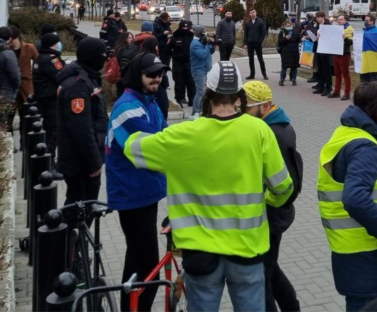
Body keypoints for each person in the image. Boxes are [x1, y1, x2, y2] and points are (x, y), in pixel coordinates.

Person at [123, 62, 294, 311]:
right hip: (247, 250)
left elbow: (132, 148)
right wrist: (268, 203)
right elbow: (283, 188)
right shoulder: (259, 130)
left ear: (207, 93)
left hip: (200, 254)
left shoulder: (184, 134)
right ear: (239, 96)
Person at [318, 81, 377, 311]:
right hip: (370, 258)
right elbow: (355, 198)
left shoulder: (346, 134)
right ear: (371, 110)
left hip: (353, 255)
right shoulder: (364, 147)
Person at [107, 52, 168, 312]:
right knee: (147, 267)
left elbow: (165, 132)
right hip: (133, 193)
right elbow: (160, 144)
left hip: (146, 191)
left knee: (136, 262)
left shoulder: (148, 101)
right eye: (151, 74)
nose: (157, 78)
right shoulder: (129, 108)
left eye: (160, 73)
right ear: (137, 76)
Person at [243, 81, 303, 312]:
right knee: (271, 270)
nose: (242, 112)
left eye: (247, 107)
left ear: (265, 105)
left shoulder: (272, 133)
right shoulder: (277, 126)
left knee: (261, 279)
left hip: (270, 216)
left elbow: (284, 184)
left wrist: (262, 205)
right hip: (274, 214)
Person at [56, 37, 109, 204]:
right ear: (92, 56)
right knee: (80, 207)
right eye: (102, 54)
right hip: (80, 162)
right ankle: (70, 231)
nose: (105, 57)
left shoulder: (85, 77)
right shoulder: (77, 86)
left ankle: (74, 230)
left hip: (81, 160)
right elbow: (81, 129)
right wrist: (94, 163)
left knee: (82, 205)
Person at [32, 32, 66, 152]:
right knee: (53, 130)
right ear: (53, 44)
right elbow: (62, 75)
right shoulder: (51, 59)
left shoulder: (40, 57)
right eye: (57, 42)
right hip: (51, 99)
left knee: (49, 128)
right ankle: (49, 159)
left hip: (42, 97)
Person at [9, 25, 38, 131]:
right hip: (11, 85)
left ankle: (24, 144)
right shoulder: (6, 49)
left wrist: (32, 76)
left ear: (15, 37)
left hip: (26, 84)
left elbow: (38, 61)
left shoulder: (29, 47)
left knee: (26, 115)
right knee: (9, 115)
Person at [169, 20, 197, 109]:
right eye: (183, 27)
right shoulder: (174, 37)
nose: (185, 29)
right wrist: (174, 55)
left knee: (191, 82)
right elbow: (168, 49)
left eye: (187, 27)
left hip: (189, 62)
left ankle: (192, 100)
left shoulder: (192, 37)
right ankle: (179, 99)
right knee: (179, 82)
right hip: (177, 63)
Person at [190, 27, 215, 117]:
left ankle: (201, 109)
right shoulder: (195, 43)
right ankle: (195, 112)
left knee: (205, 92)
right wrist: (208, 45)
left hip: (206, 69)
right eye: (204, 32)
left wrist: (212, 44)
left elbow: (209, 52)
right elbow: (202, 54)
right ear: (200, 33)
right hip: (199, 70)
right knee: (200, 91)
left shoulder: (201, 41)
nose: (205, 33)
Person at [330, 14, 355, 101]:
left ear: (346, 20)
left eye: (341, 19)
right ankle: (336, 92)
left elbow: (350, 43)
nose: (339, 21)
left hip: (344, 54)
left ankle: (347, 93)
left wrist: (344, 38)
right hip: (336, 53)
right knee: (337, 74)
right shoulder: (337, 28)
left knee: (345, 74)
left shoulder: (349, 29)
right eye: (338, 19)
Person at [243, 8, 270, 80]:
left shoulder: (260, 22)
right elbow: (246, 34)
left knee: (260, 59)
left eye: (254, 12)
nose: (252, 13)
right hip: (250, 43)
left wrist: (259, 41)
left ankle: (264, 74)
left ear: (256, 13)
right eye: (251, 12)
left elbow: (263, 33)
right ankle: (252, 74)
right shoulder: (247, 22)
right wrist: (245, 43)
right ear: (249, 14)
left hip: (257, 44)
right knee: (251, 60)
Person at [312, 11, 333, 97]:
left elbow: (330, 36)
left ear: (323, 17)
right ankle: (321, 85)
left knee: (326, 69)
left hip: (326, 50)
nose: (317, 19)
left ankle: (328, 87)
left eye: (319, 17)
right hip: (319, 49)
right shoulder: (318, 25)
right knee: (320, 68)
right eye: (316, 17)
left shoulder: (328, 25)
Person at [277, 17, 301, 86]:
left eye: (290, 24)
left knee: (294, 67)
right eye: (288, 24)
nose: (289, 25)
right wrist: (285, 38)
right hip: (286, 52)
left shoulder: (295, 31)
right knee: (284, 67)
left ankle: (293, 80)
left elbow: (298, 40)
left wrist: (301, 37)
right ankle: (282, 80)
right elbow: (279, 42)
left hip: (294, 52)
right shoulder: (282, 32)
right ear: (285, 24)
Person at [361, 15, 377, 83]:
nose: (365, 22)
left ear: (372, 21)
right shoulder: (365, 31)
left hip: (372, 61)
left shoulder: (376, 32)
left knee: (373, 81)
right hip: (365, 59)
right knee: (364, 81)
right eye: (365, 20)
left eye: (367, 20)